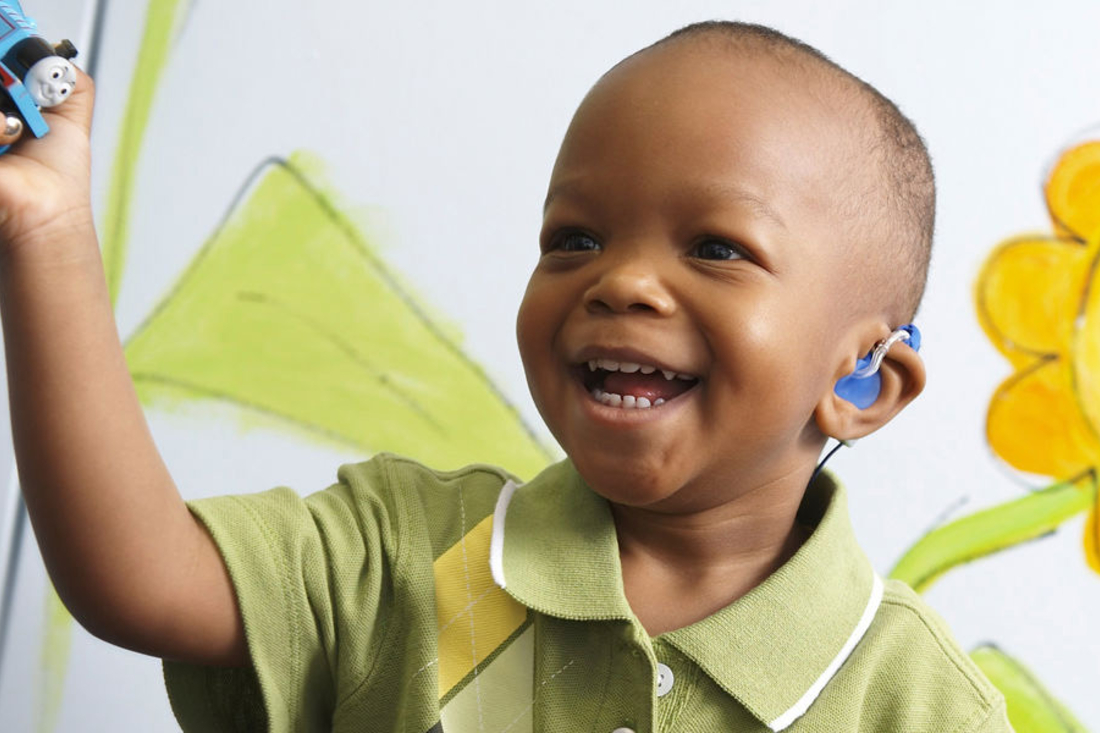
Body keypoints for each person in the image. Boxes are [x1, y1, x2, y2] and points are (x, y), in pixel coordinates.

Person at [0, 19, 1013, 733]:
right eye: (573, 237)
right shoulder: (410, 552)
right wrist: (46, 228)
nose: (619, 281)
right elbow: (135, 579)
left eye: (714, 248)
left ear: (863, 384)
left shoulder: (917, 705)